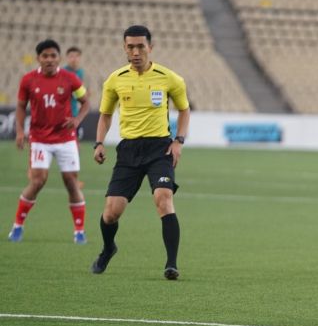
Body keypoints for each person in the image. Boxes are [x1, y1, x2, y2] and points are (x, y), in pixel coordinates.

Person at [91, 25, 190, 280]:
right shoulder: (115, 79)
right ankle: (108, 248)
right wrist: (99, 143)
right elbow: (105, 115)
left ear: (150, 48)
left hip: (160, 148)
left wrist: (178, 140)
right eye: (130, 47)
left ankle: (171, 264)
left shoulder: (169, 78)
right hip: (129, 151)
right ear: (125, 48)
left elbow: (184, 110)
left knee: (163, 198)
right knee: (111, 212)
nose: (135, 52)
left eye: (140, 47)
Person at [8, 39, 90, 244]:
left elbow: (86, 102)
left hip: (65, 139)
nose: (50, 59)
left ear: (58, 58)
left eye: (53, 56)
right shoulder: (28, 80)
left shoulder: (70, 78)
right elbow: (20, 106)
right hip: (40, 139)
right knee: (37, 181)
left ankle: (79, 231)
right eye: (45, 56)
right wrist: (20, 131)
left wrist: (77, 120)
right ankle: (17, 227)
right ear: (38, 59)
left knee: (71, 182)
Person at [63, 46, 86, 188]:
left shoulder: (80, 72)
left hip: (75, 115)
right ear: (67, 57)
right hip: (64, 115)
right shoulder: (63, 72)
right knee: (72, 147)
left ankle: (73, 178)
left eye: (76, 56)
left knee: (75, 147)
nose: (74, 59)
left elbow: (78, 93)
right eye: (71, 56)